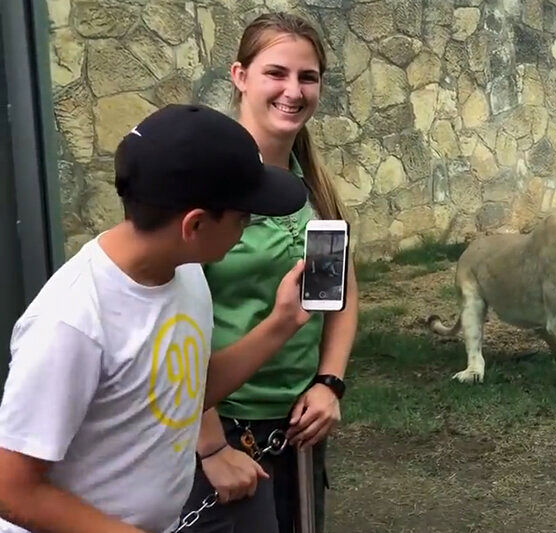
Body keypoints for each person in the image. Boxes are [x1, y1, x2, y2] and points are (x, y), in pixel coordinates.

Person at [0, 103, 311, 533]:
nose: (248, 227)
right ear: (195, 225)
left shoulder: (184, 272)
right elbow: (13, 490)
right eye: (243, 218)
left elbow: (179, 392)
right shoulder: (70, 323)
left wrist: (282, 323)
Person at [180, 12, 358, 533]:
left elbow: (342, 292)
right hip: (219, 427)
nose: (293, 90)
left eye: (308, 77)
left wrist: (330, 383)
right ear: (240, 76)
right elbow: (171, 329)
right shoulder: (204, 185)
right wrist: (209, 445)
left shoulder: (314, 185)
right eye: (276, 73)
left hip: (299, 424)